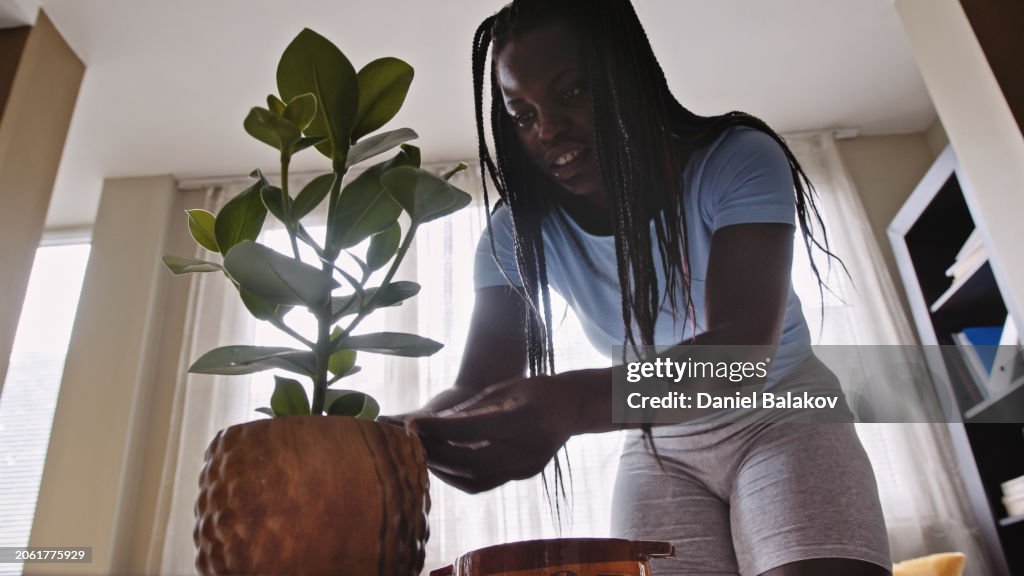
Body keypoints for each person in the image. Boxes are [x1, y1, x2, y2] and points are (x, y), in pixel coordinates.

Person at [392, 1, 892, 574]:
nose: (547, 127)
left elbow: (742, 357)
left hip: (782, 420)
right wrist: (405, 436)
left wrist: (569, 404)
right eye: (522, 114)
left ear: (625, 79)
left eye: (573, 93)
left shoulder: (736, 161)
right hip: (659, 449)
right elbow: (480, 387)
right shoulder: (515, 234)